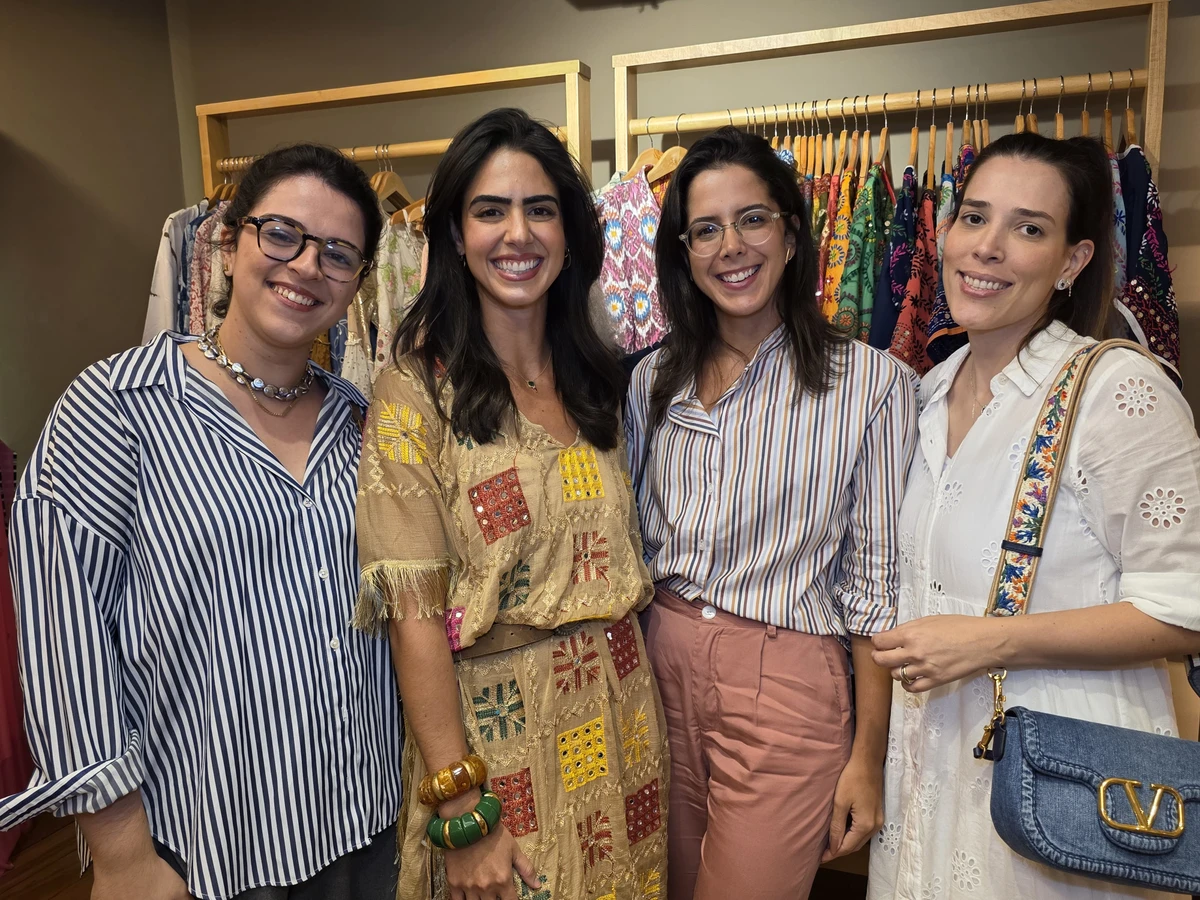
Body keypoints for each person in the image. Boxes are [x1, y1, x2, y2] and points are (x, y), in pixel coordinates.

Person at [0, 144, 402, 900]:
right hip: (206, 841)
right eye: (281, 234)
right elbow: (64, 639)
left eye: (339, 254)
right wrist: (120, 852)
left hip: (368, 819)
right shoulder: (116, 408)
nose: (306, 266)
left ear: (356, 285)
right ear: (226, 242)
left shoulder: (364, 425)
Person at [868, 133, 1200, 900]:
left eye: (1027, 229)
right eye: (974, 218)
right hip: (933, 769)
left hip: (1066, 776)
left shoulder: (1116, 391)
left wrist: (994, 638)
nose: (986, 249)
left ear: (1073, 261)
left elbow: (1185, 608)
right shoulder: (923, 394)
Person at [354, 107, 668, 900]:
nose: (517, 234)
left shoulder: (601, 378)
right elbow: (414, 616)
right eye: (490, 211)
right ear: (456, 236)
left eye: (540, 209)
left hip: (623, 715)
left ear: (568, 236)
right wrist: (463, 810)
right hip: (502, 740)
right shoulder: (414, 389)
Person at [625, 126, 918, 900]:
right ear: (682, 252)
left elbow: (874, 587)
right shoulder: (651, 379)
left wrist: (867, 756)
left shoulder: (872, 384)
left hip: (784, 680)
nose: (732, 247)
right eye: (706, 229)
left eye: (752, 220)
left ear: (791, 234)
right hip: (654, 662)